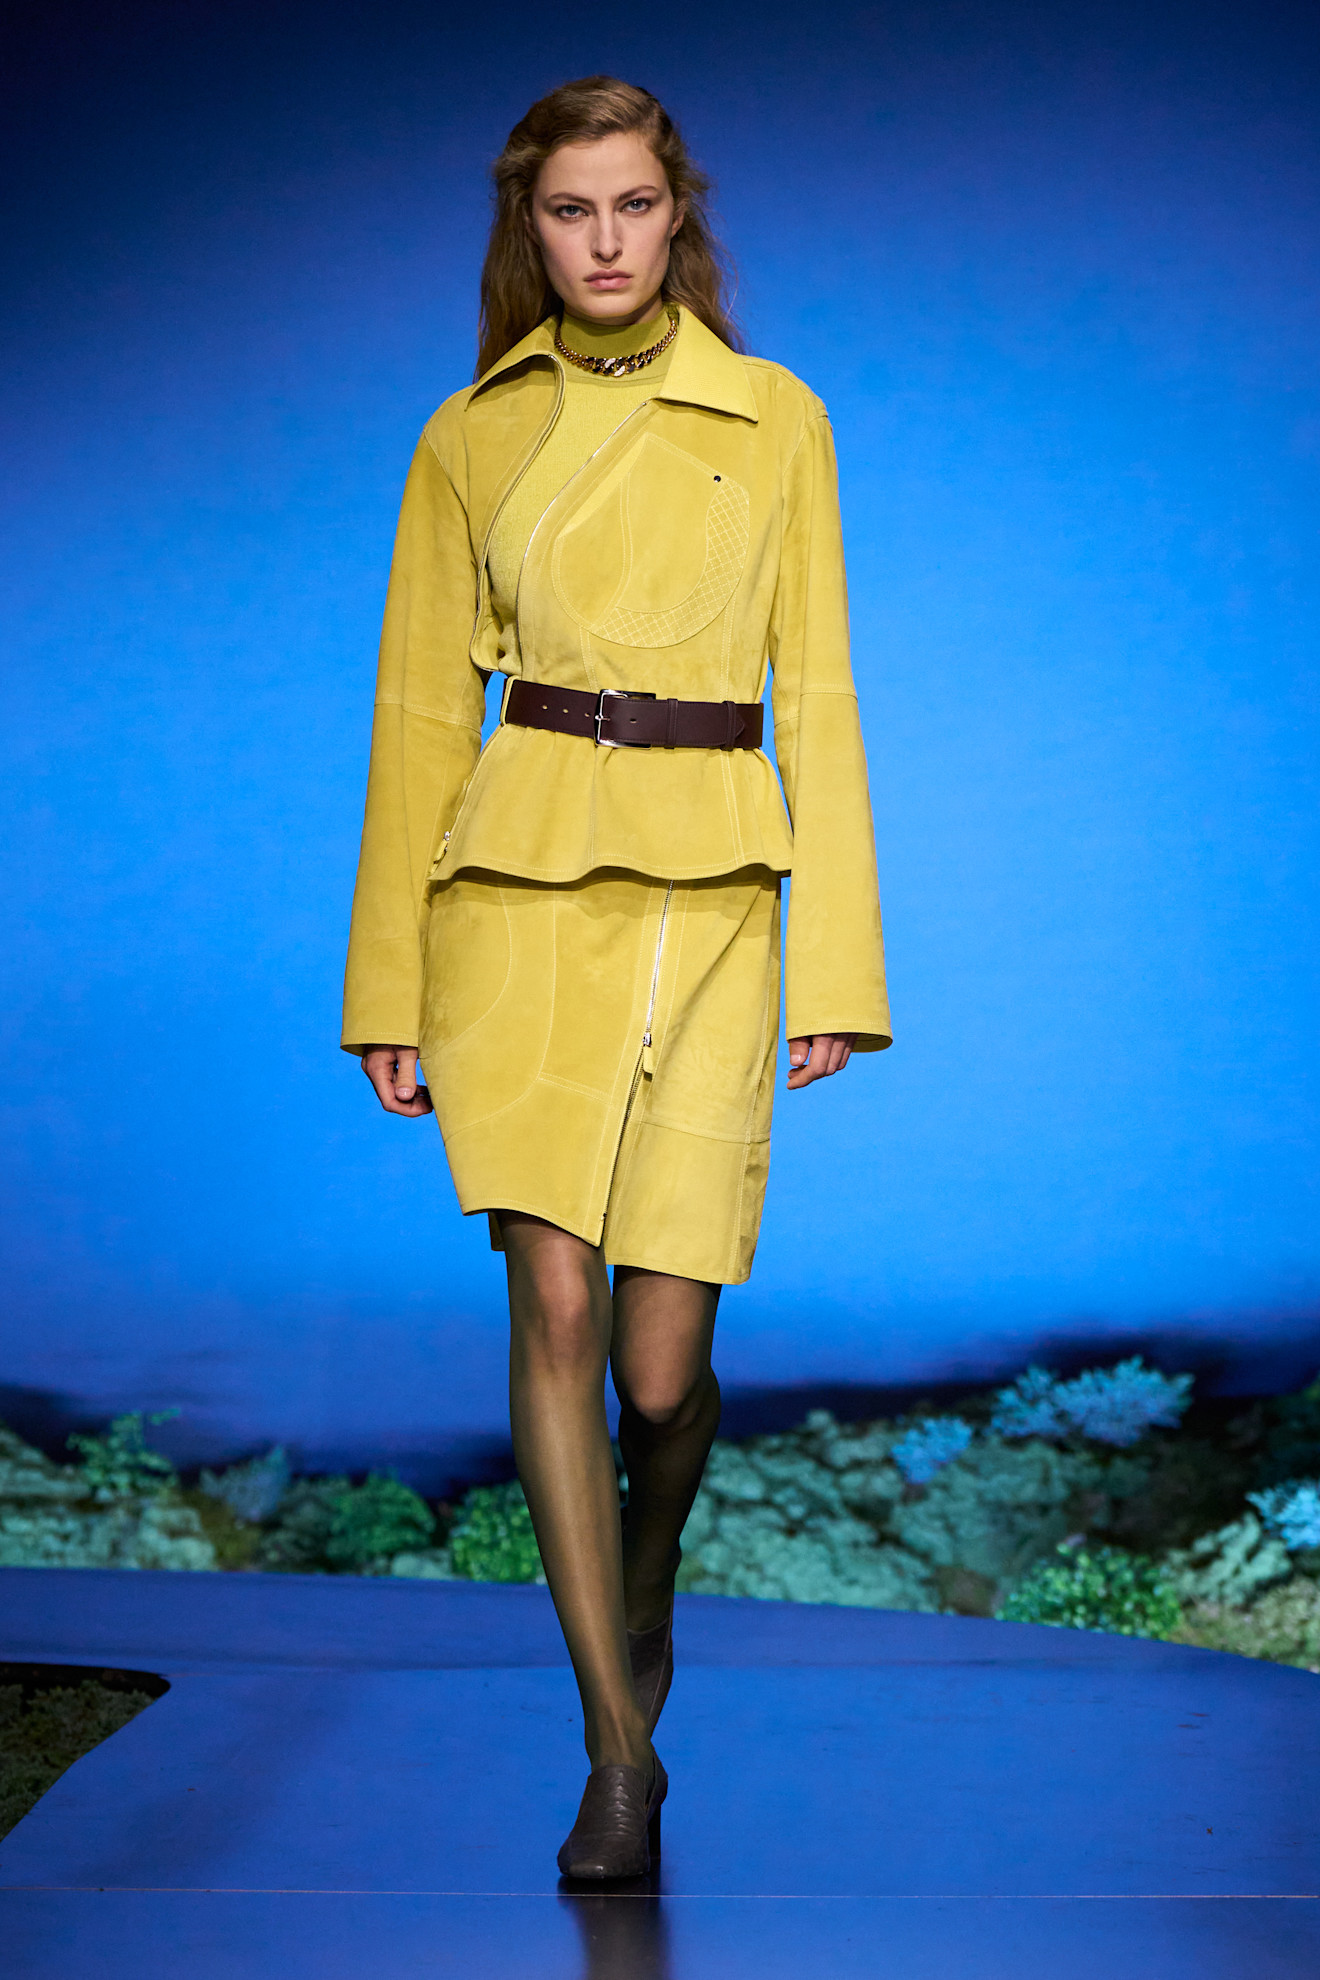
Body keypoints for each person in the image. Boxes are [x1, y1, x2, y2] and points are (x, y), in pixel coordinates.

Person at [342, 75, 891, 1881]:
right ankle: (616, 1751)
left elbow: (822, 691)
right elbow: (418, 718)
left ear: (678, 215)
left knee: (661, 1379)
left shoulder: (775, 415)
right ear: (531, 225)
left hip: (714, 898)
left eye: (633, 205)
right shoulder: (470, 436)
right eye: (570, 209)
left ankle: (638, 1607)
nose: (603, 240)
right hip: (512, 898)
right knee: (555, 1308)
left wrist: (842, 962)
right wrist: (388, 989)